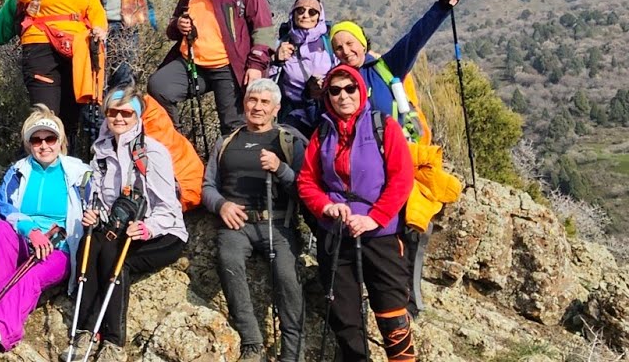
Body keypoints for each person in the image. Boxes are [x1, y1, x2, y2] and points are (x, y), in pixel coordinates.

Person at [297, 65, 416, 362]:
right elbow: (306, 180)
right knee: (345, 317)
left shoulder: (383, 126)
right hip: (336, 234)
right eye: (335, 91)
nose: (343, 96)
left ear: (361, 90)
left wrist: (374, 217)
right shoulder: (322, 131)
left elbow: (402, 178)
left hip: (380, 234)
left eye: (350, 88)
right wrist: (326, 206)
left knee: (392, 313)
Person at [70, 84, 187, 362]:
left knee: (113, 256)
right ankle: (84, 329)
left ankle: (113, 342)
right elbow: (99, 197)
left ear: (138, 117)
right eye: (112, 112)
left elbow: (169, 208)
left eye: (126, 113)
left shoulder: (152, 153)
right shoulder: (101, 150)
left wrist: (148, 228)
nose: (119, 119)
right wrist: (94, 213)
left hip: (164, 233)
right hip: (121, 227)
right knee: (89, 242)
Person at [0, 106, 91, 362]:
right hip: (23, 240)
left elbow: (93, 206)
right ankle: (3, 320)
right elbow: (3, 205)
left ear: (61, 141)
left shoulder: (79, 173)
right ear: (28, 143)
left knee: (29, 278)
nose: (44, 145)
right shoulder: (18, 171)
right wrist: (29, 229)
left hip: (60, 249)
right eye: (36, 139)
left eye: (50, 138)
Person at [203, 79, 306, 362]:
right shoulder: (226, 142)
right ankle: (252, 342)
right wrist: (221, 205)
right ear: (244, 103)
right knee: (229, 261)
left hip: (278, 223)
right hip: (237, 224)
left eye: (264, 102)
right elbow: (207, 186)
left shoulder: (289, 141)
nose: (257, 107)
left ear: (276, 108)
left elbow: (304, 189)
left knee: (287, 277)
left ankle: (291, 352)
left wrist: (281, 169)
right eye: (252, 100)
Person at [147, 0, 274, 141]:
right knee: (159, 87)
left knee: (232, 128)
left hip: (229, 66)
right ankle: (174, 146)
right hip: (193, 63)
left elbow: (262, 27)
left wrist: (256, 65)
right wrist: (179, 25)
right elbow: (172, 25)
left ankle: (233, 170)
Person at [13, 0, 108, 146]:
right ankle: (41, 170)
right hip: (40, 45)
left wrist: (99, 27)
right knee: (45, 117)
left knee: (71, 118)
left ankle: (69, 173)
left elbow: (94, 9)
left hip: (78, 49)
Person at [329, 0, 460, 142]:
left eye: (350, 43)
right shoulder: (335, 83)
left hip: (397, 151)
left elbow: (415, 38)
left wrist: (442, 7)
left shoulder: (386, 67)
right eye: (338, 48)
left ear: (363, 44)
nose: (346, 51)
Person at [269, 0, 335, 139]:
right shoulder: (282, 44)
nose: (306, 15)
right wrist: (276, 60)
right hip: (293, 113)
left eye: (312, 12)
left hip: (325, 110)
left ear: (320, 16)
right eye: (300, 11)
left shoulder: (330, 43)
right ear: (293, 14)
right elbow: (268, 81)